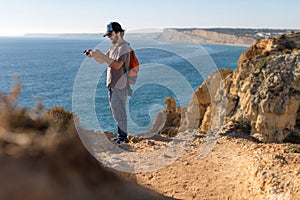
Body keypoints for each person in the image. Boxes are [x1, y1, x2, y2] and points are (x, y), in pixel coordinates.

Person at [85, 22, 130, 144]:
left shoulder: (124, 48)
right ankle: (121, 136)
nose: (109, 37)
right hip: (112, 84)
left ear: (118, 33)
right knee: (115, 110)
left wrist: (102, 56)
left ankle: (123, 138)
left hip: (120, 85)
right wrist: (94, 55)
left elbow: (117, 65)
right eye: (108, 35)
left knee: (119, 111)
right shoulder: (114, 48)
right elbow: (103, 60)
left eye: (110, 34)